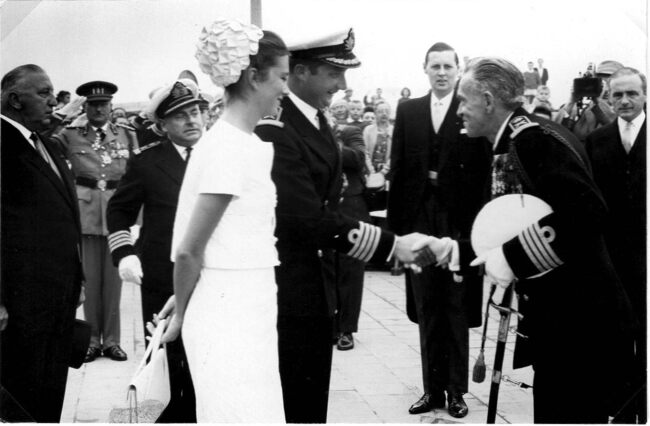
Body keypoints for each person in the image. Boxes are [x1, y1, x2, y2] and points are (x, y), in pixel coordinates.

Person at [437, 56, 637, 423]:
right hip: (563, 323)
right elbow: (517, 224)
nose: (459, 110)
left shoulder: (534, 141)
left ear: (487, 99)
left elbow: (588, 213)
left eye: (463, 100)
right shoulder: (518, 138)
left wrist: (511, 258)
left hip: (582, 327)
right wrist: (453, 251)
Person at [254, 28, 422, 423]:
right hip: (288, 287)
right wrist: (389, 245)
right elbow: (305, 217)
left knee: (311, 395)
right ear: (300, 72)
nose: (342, 84)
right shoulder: (276, 127)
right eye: (334, 73)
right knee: (293, 398)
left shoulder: (313, 118)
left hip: (316, 282)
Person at [160, 20, 289, 422]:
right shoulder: (229, 146)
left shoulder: (238, 142)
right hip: (229, 311)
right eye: (282, 77)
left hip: (246, 300)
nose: (285, 89)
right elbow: (189, 249)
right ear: (253, 77)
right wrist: (182, 311)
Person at [387, 42, 490, 419]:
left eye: (448, 66)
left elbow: (482, 172)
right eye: (436, 66)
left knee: (455, 305)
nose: (442, 73)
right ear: (425, 69)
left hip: (456, 221)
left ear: (458, 70)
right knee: (427, 304)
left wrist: (479, 230)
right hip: (419, 218)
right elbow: (398, 168)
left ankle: (456, 391)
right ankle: (432, 390)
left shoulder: (469, 109)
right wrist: (396, 235)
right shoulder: (409, 110)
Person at [106, 79, 202, 423]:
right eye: (180, 116)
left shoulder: (218, 155)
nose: (192, 120)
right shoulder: (147, 161)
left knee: (206, 358)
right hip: (163, 275)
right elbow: (119, 210)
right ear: (162, 126)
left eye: (195, 112)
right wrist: (125, 253)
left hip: (212, 275)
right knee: (165, 356)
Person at [0, 64, 84, 422]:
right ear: (15, 100)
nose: (53, 101)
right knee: (21, 398)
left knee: (49, 393)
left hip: (56, 297)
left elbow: (63, 216)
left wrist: (77, 278)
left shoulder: (43, 143)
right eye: (44, 93)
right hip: (20, 304)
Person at [53, 80, 138, 363]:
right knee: (89, 281)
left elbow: (135, 174)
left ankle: (112, 342)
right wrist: (62, 113)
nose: (99, 110)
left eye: (103, 104)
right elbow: (44, 142)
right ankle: (90, 341)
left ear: (111, 106)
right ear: (85, 107)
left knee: (114, 282)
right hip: (86, 213)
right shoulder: (70, 134)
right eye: (93, 105)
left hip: (116, 213)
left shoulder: (126, 134)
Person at [584, 67, 646, 423]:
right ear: (608, 97)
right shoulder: (597, 141)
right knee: (617, 340)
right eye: (617, 94)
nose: (624, 100)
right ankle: (622, 415)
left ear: (645, 95)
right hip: (613, 261)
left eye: (631, 93)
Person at [332, 123, 369, 351]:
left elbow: (359, 158)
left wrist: (328, 145)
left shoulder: (349, 132)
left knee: (351, 270)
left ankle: (346, 329)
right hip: (325, 207)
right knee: (328, 270)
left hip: (351, 206)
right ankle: (332, 326)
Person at [555, 59, 623, 141]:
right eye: (601, 81)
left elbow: (614, 128)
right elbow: (556, 130)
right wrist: (571, 101)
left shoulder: (624, 109)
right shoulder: (581, 109)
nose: (605, 87)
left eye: (609, 81)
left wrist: (598, 101)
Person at [364, 100, 393, 177]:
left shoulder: (394, 130)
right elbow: (364, 152)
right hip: (370, 171)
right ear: (375, 114)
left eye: (386, 111)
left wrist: (383, 172)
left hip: (388, 172)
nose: (384, 114)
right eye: (380, 111)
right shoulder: (368, 130)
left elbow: (394, 154)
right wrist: (371, 171)